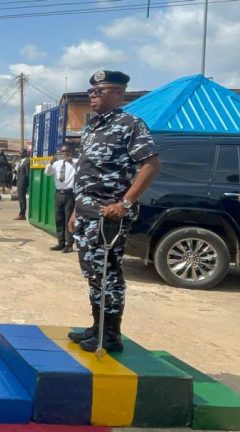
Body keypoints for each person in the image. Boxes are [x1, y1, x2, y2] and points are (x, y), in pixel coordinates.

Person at [68, 70, 160, 353]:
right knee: (93, 272)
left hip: (110, 214)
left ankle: (110, 334)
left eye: (100, 91)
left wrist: (125, 203)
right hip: (86, 212)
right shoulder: (90, 128)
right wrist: (75, 211)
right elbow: (86, 174)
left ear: (119, 93)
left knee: (108, 273)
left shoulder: (130, 124)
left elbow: (151, 165)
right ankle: (96, 326)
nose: (92, 96)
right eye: (91, 92)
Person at [44, 146, 77, 252]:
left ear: (70, 152)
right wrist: (50, 163)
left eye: (66, 151)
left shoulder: (75, 162)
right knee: (59, 219)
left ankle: (69, 244)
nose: (64, 153)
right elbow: (47, 173)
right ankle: (60, 242)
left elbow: (81, 169)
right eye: (62, 151)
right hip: (59, 193)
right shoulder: (57, 163)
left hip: (69, 194)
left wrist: (72, 162)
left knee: (68, 219)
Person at [14, 149, 30, 220]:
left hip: (23, 183)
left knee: (22, 199)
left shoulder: (27, 162)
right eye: (19, 153)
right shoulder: (21, 161)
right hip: (19, 182)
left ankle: (22, 214)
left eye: (20, 153)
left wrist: (28, 185)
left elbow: (28, 174)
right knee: (20, 198)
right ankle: (21, 213)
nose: (19, 154)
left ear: (25, 153)